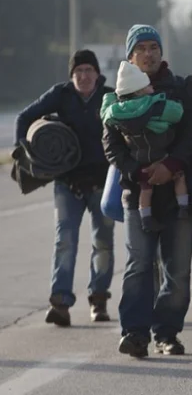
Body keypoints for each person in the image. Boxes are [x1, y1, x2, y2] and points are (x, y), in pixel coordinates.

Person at [105, 24, 192, 358]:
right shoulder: (119, 95)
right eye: (141, 48)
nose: (148, 54)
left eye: (154, 47)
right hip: (138, 193)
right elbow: (111, 145)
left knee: (177, 270)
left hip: (180, 194)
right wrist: (137, 172)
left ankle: (167, 333)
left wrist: (171, 165)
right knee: (139, 264)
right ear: (130, 56)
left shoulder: (182, 88)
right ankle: (135, 333)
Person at [14, 49, 115, 326]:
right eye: (78, 71)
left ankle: (99, 301)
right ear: (71, 76)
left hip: (102, 184)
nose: (83, 76)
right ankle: (60, 304)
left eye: (88, 70)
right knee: (65, 242)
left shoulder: (110, 97)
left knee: (103, 243)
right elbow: (24, 118)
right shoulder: (61, 95)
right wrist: (23, 153)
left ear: (97, 74)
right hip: (68, 184)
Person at [101, 61, 188, 232]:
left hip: (139, 160)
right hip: (161, 155)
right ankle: (184, 206)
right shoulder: (154, 104)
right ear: (139, 91)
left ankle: (145, 218)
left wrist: (111, 96)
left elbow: (105, 115)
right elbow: (176, 113)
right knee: (179, 177)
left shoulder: (115, 112)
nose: (152, 88)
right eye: (148, 86)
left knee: (145, 190)